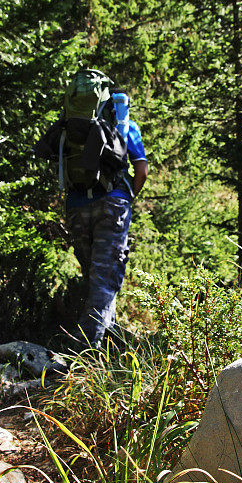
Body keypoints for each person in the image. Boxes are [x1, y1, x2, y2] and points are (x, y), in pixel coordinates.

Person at [36, 69, 148, 349]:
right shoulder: (124, 126)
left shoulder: (69, 129)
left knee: (95, 279)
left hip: (75, 208)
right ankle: (84, 355)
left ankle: (106, 344)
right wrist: (127, 197)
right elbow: (141, 170)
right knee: (104, 282)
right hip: (113, 205)